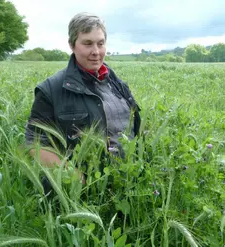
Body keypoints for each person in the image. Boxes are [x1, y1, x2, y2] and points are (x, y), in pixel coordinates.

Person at [25, 12, 141, 184]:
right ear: (72, 45)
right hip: (85, 192)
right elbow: (35, 143)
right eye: (87, 43)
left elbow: (134, 131)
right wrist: (76, 177)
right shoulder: (51, 89)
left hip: (129, 185)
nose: (96, 51)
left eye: (100, 44)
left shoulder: (118, 84)